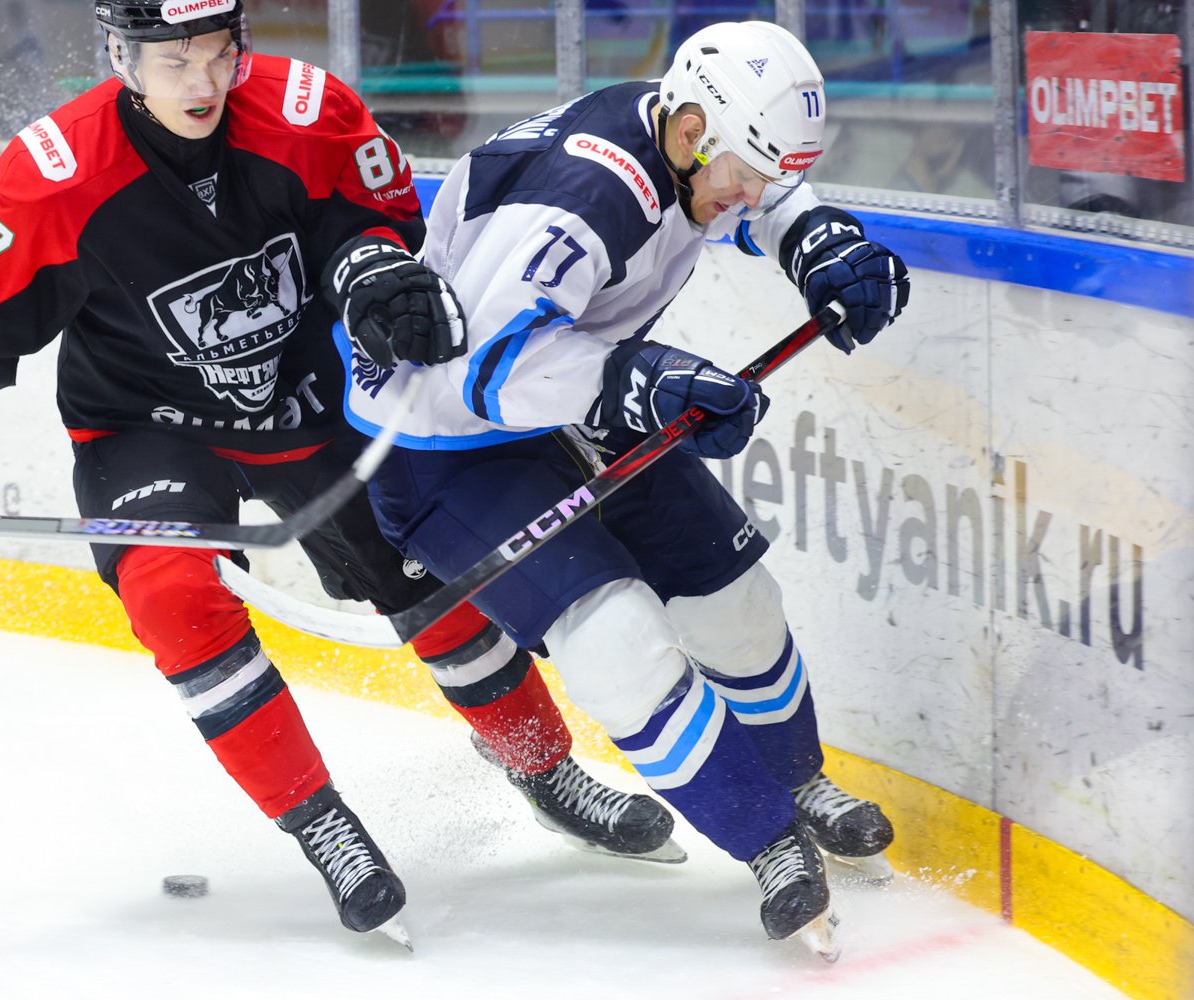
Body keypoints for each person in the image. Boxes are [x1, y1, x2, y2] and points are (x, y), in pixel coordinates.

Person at [0, 0, 678, 947]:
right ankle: (325, 827)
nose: (203, 81)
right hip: (145, 425)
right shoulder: (53, 173)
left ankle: (543, 770)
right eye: (174, 62)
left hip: (314, 399)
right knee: (170, 592)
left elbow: (380, 227)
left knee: (432, 576)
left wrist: (373, 273)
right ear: (120, 55)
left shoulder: (308, 112)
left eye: (218, 53)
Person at [335, 21, 910, 955]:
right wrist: (637, 380)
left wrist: (815, 237)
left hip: (574, 391)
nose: (751, 197)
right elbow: (484, 372)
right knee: (617, 643)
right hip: (447, 440)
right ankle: (769, 842)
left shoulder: (694, 135)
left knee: (736, 602)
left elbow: (760, 181)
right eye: (745, 178)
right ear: (688, 132)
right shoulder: (580, 202)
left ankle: (798, 780)